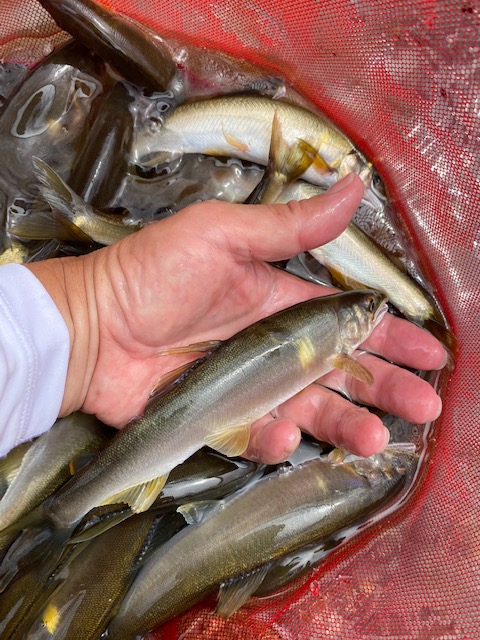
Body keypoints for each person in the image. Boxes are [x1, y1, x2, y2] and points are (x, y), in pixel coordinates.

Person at [0, 173, 446, 459]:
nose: (373, 308)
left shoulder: (330, 336)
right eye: (367, 308)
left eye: (367, 305)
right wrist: (89, 317)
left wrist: (87, 321)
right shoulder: (338, 344)